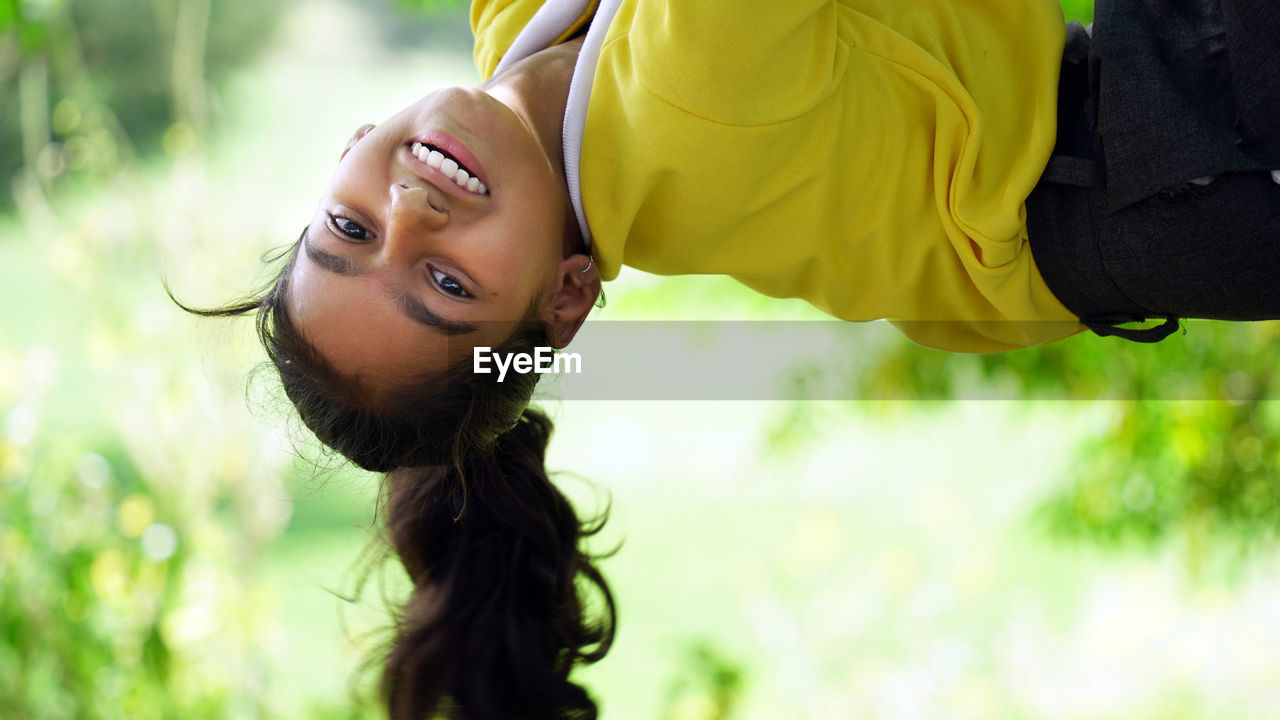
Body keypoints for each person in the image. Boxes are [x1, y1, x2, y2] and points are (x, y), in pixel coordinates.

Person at [184, 0, 1280, 718]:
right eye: (448, 287)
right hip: (1167, 150)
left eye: (351, 229)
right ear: (565, 299)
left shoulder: (516, 27)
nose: (411, 213)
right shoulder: (683, 94)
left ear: (337, 164)